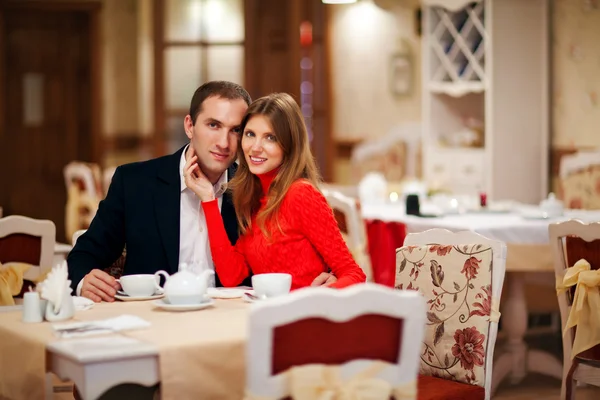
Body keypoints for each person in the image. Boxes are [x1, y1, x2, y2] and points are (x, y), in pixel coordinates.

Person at [68, 82, 337, 302]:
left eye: (236, 130)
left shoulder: (253, 191)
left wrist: (332, 277)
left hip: (233, 328)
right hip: (154, 325)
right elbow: (82, 256)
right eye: (213, 125)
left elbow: (295, 256)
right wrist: (83, 281)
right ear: (189, 126)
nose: (223, 142)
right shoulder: (136, 182)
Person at [184, 93, 366, 289]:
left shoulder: (301, 195)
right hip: (272, 315)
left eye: (270, 138)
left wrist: (311, 299)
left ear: (288, 145)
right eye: (250, 134)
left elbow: (353, 274)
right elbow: (231, 276)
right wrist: (208, 200)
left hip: (305, 315)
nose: (255, 147)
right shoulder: (255, 199)